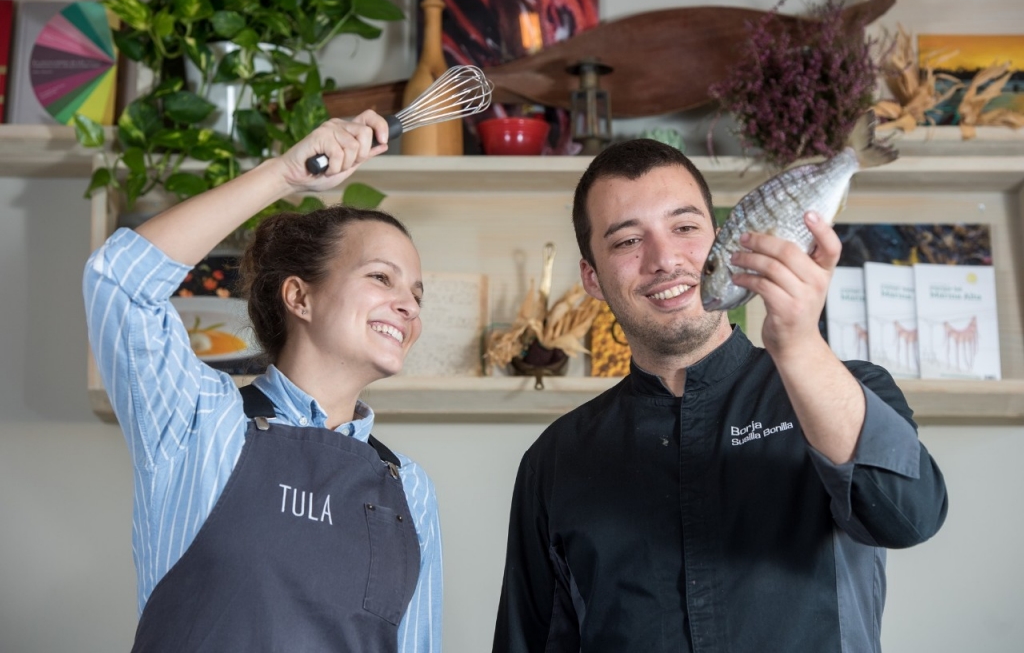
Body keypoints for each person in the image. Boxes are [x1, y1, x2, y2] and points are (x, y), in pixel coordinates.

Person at [492, 138, 948, 652]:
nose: (665, 259)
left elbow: (909, 516)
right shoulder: (554, 460)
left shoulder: (850, 391)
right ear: (592, 278)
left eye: (685, 228)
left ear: (723, 239)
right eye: (627, 241)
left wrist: (799, 344)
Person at [84, 112, 441, 652]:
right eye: (380, 277)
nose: (408, 305)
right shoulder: (203, 423)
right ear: (299, 297)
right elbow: (118, 280)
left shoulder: (409, 489)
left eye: (416, 294)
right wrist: (285, 175)